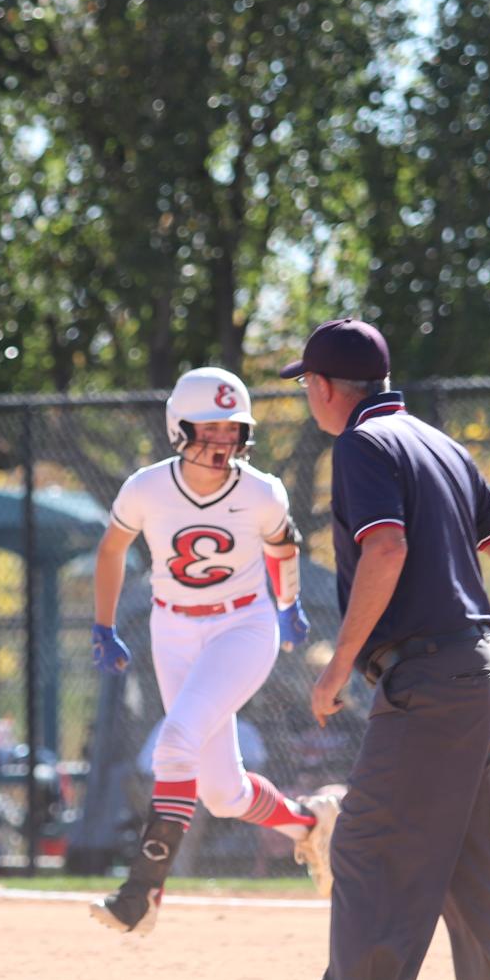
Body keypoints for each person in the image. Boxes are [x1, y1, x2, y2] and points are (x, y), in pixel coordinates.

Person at [244, 317, 490, 980]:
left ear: (322, 388)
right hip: (477, 670)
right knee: (466, 862)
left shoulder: (359, 446)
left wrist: (336, 665)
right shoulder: (440, 444)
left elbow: (386, 549)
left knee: (364, 846)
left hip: (429, 675)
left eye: (305, 385)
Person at [86, 365, 343, 936]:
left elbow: (284, 544)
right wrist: (103, 625)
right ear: (179, 427)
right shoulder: (148, 486)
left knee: (174, 743)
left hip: (242, 629)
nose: (224, 441)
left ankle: (142, 893)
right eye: (211, 428)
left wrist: (289, 603)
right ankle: (308, 823)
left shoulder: (260, 489)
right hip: (173, 630)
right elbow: (111, 551)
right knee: (224, 793)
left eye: (234, 429)